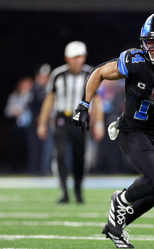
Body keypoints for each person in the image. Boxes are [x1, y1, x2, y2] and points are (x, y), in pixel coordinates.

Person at [72, 12, 154, 248]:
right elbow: (98, 73)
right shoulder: (134, 61)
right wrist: (83, 105)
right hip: (132, 130)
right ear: (143, 42)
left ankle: (115, 226)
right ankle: (120, 200)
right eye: (151, 42)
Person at [37, 41, 104, 204]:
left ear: (84, 57)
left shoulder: (91, 73)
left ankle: (78, 190)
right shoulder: (58, 74)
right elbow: (50, 99)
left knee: (79, 157)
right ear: (67, 58)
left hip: (81, 120)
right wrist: (42, 123)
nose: (77, 60)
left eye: (80, 56)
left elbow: (98, 100)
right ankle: (64, 192)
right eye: (74, 57)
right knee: (60, 154)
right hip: (62, 119)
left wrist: (99, 123)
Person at [4, 76, 33, 173]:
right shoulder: (14, 96)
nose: (26, 86)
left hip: (31, 126)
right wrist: (15, 111)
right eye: (24, 84)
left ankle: (31, 169)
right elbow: (7, 112)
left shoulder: (33, 96)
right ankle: (15, 169)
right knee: (16, 148)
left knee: (30, 148)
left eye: (29, 84)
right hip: (18, 126)